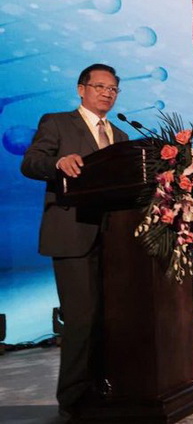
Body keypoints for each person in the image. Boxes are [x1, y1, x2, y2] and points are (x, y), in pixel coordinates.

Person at [20, 63, 129, 419]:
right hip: (71, 234)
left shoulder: (120, 136)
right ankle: (73, 399)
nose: (107, 93)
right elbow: (31, 163)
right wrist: (57, 163)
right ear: (81, 89)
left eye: (113, 89)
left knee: (109, 318)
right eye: (100, 86)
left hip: (114, 239)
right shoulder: (57, 123)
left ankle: (104, 387)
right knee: (81, 320)